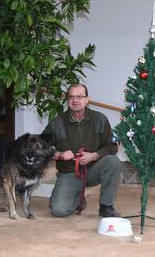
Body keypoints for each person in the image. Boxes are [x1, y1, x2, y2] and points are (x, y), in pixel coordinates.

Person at [43, 84, 121, 217]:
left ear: (87, 100)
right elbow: (43, 146)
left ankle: (106, 206)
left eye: (79, 96)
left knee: (113, 162)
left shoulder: (100, 119)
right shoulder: (57, 123)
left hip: (93, 169)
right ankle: (78, 198)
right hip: (69, 173)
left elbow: (112, 146)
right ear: (68, 100)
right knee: (58, 210)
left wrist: (94, 156)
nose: (75, 100)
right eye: (71, 97)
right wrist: (59, 154)